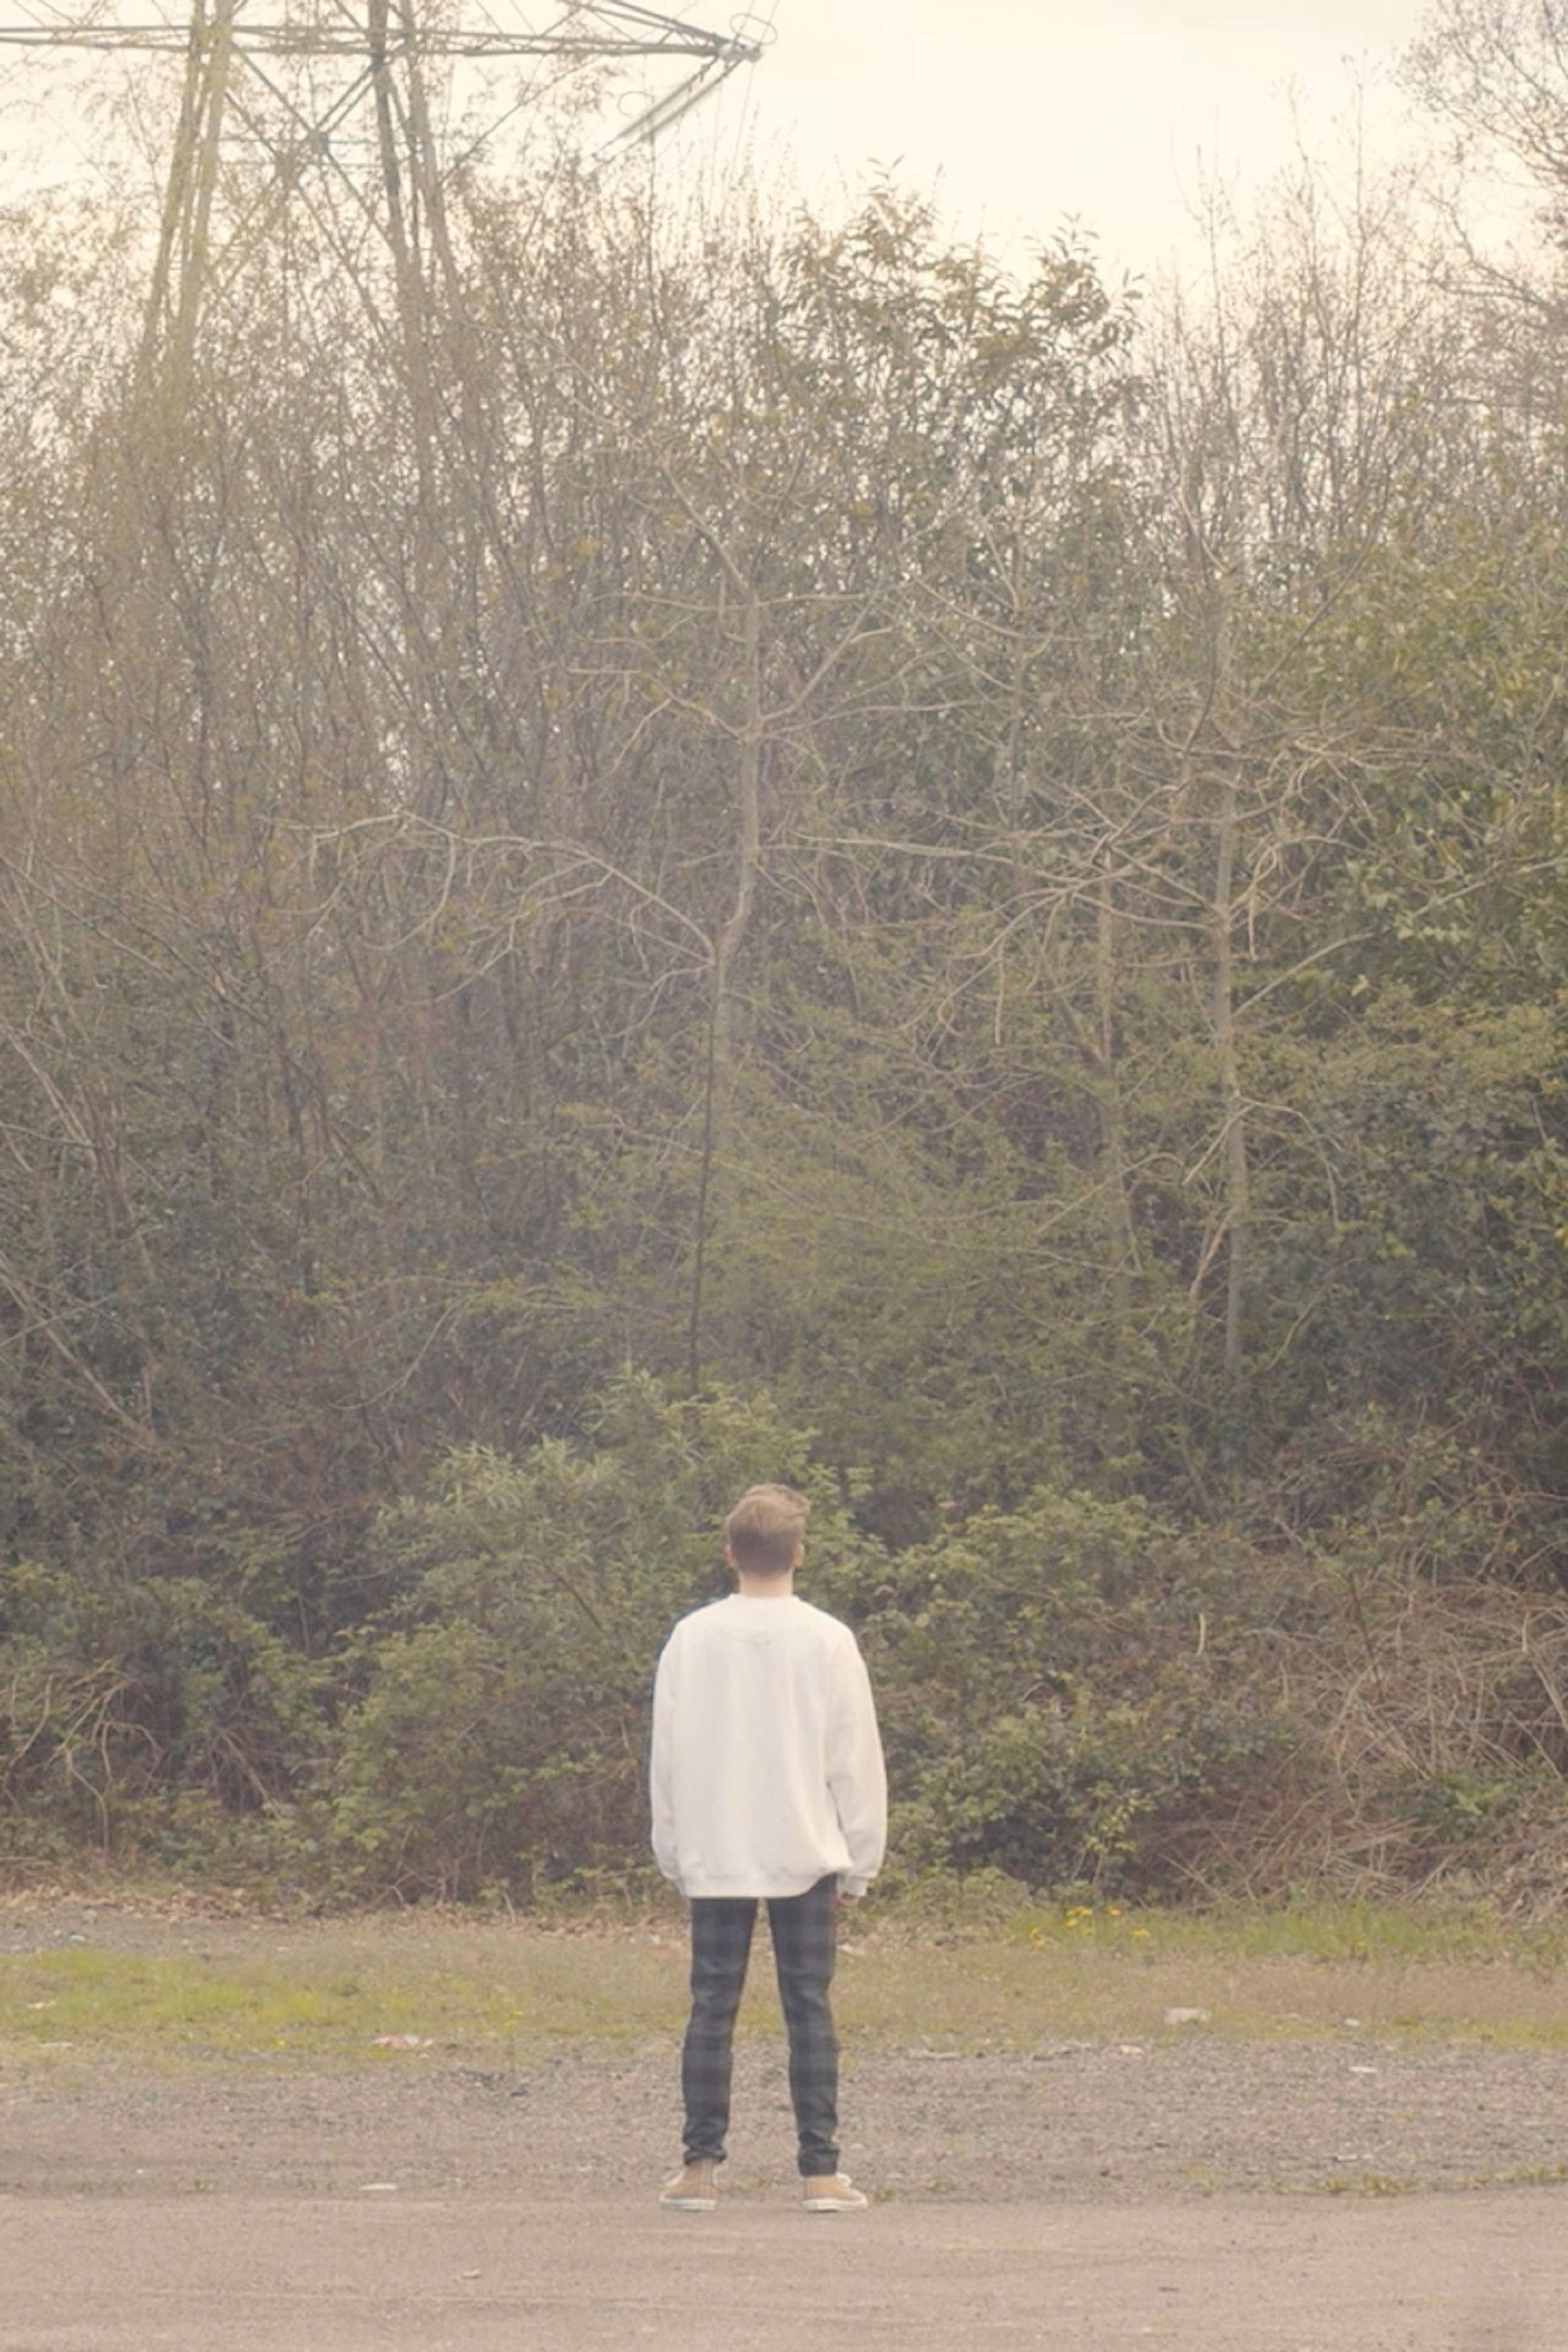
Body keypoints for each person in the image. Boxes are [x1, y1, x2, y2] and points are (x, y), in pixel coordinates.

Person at [650, 1481, 887, 2213]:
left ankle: (698, 2167)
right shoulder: (828, 1639)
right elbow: (855, 1758)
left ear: (729, 1554)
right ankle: (820, 2172)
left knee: (710, 2006)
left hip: (717, 1847)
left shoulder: (692, 1637)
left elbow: (667, 1756)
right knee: (808, 2006)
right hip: (805, 1849)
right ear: (799, 1554)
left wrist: (672, 1848)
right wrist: (861, 1860)